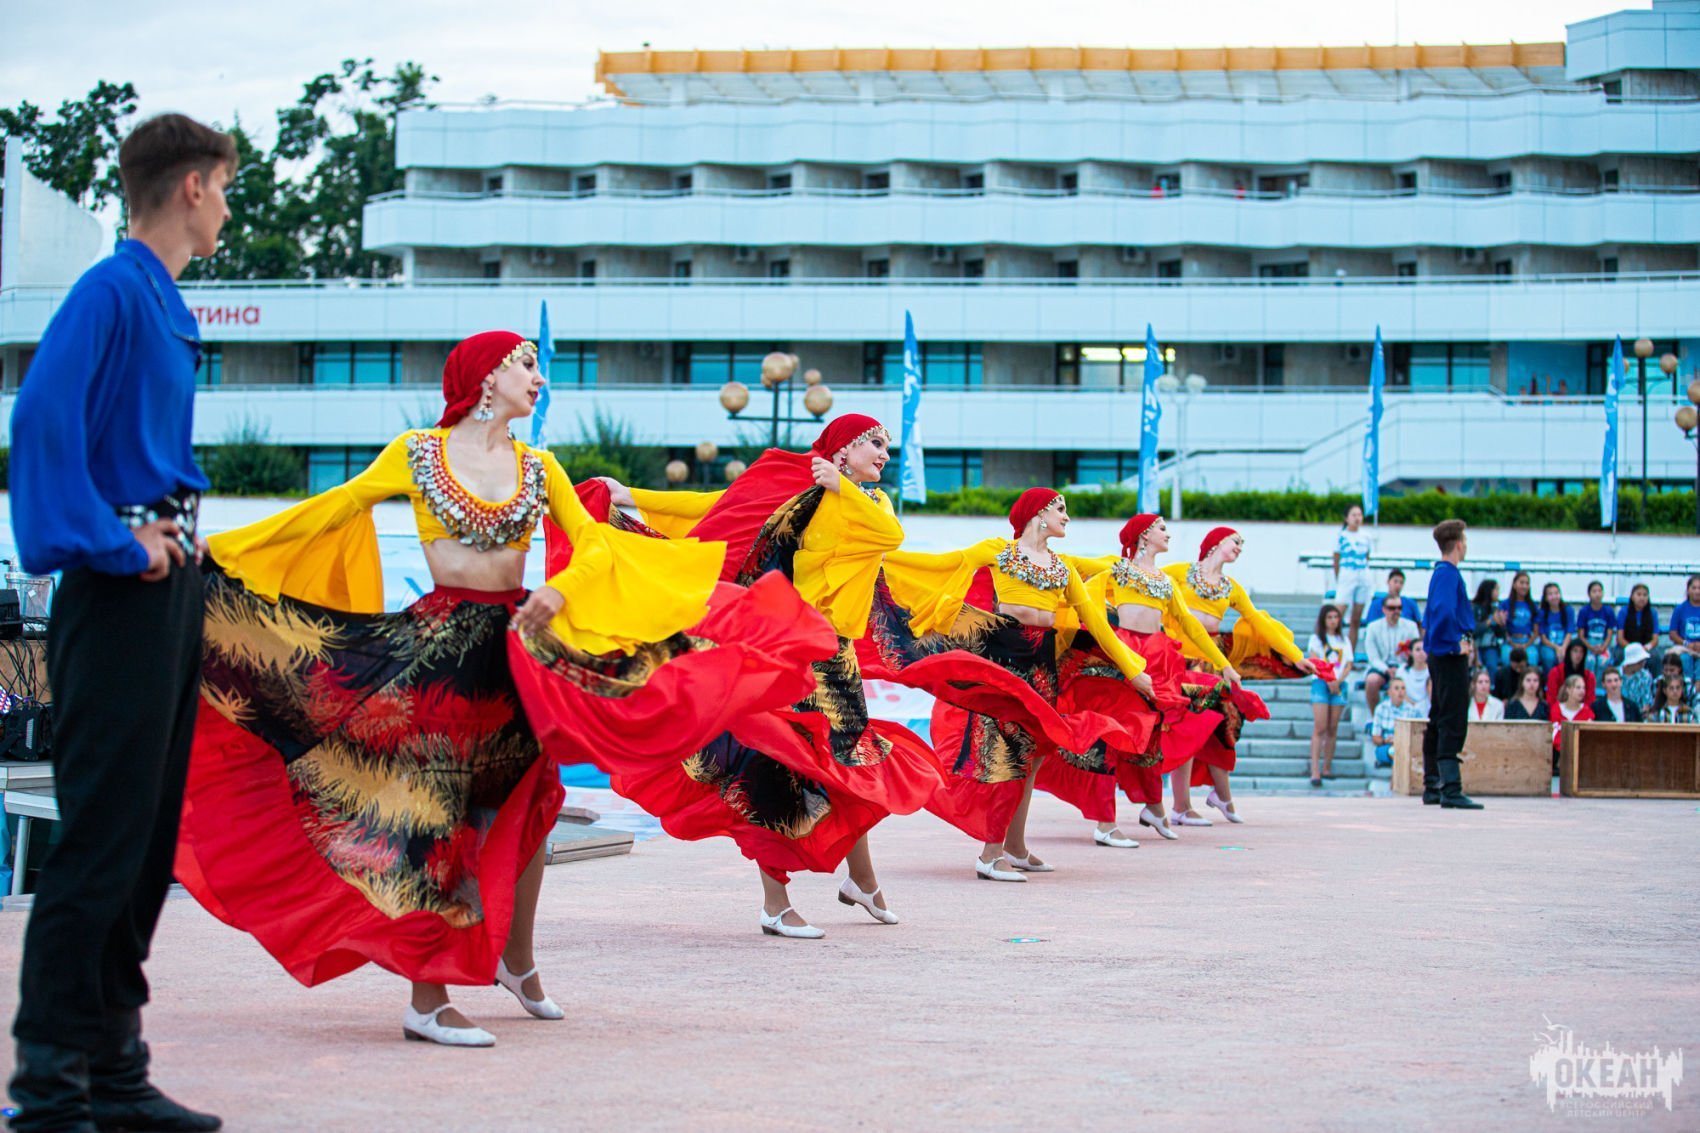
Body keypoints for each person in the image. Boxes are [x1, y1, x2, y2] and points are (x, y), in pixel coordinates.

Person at [181, 332, 826, 1041]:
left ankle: (517, 961)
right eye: (526, 365)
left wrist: (561, 591)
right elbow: (329, 509)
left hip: (517, 650)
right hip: (442, 655)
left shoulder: (539, 466)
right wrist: (221, 549)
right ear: (486, 376)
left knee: (530, 806)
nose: (539, 378)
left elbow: (596, 543)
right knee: (443, 816)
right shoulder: (417, 451)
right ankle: (427, 997)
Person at [6, 114, 234, 1133]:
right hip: (119, 590)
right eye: (223, 187)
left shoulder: (158, 297)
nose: (226, 208)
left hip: (165, 588)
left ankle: (112, 1067)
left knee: (143, 842)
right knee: (101, 839)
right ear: (191, 186)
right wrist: (113, 540)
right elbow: (39, 423)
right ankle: (49, 1091)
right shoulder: (110, 288)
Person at [604, 414, 946, 933]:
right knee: (775, 768)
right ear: (841, 450)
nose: (884, 453)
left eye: (886, 445)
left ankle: (862, 881)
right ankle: (775, 904)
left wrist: (841, 488)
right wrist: (628, 494)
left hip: (836, 659)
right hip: (788, 651)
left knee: (847, 771)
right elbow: (717, 505)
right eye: (874, 443)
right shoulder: (800, 490)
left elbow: (890, 536)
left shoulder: (872, 502)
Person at [876, 489, 1156, 874]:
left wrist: (1133, 670)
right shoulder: (998, 551)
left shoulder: (1062, 567)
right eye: (1060, 508)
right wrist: (881, 558)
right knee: (1009, 755)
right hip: (1003, 660)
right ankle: (990, 855)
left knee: (1033, 756)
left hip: (1041, 665)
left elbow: (1096, 623)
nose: (1066, 516)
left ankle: (1016, 848)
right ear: (1038, 513)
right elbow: (941, 564)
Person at [1075, 514, 1236, 842]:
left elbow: (1190, 625)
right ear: (1144, 535)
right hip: (1124, 655)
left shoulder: (1166, 581)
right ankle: (1105, 823)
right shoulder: (1117, 569)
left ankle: (1154, 807)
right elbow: (1082, 596)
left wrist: (1223, 663)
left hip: (1158, 659)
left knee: (1151, 735)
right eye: (1162, 528)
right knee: (1112, 735)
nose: (1168, 534)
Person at [1162, 527, 1316, 820]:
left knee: (1226, 723)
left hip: (1214, 661)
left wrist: (1296, 656)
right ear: (1216, 542)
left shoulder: (1231, 587)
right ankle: (1181, 806)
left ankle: (1222, 796)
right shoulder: (1180, 572)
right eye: (1236, 541)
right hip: (1181, 661)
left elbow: (1257, 621)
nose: (1240, 548)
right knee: (1186, 728)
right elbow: (1145, 581)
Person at [1420, 519, 1482, 808]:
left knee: (1438, 714)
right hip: (1448, 655)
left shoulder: (1440, 574)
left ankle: (1433, 784)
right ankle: (1450, 787)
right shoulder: (1448, 574)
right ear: (1458, 544)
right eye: (1465, 541)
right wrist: (1455, 643)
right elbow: (1444, 612)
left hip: (1440, 653)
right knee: (1452, 717)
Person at [1306, 605, 1351, 787]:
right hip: (1321, 683)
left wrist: (1337, 681)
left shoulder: (1344, 640)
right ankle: (1315, 770)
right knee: (1320, 726)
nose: (1333, 621)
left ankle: (1327, 767)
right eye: (1330, 617)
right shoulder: (1316, 639)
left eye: (1336, 617)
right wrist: (1328, 679)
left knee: (1333, 727)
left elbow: (1348, 664)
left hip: (1339, 683)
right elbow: (1314, 661)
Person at [1362, 595, 1420, 716]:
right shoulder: (1373, 627)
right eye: (1392, 608)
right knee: (1372, 681)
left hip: (1404, 665)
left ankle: (1411, 716)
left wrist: (1401, 669)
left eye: (1399, 608)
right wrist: (1386, 669)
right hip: (1381, 666)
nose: (1396, 611)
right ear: (1384, 609)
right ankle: (1376, 717)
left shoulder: (1411, 626)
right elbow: (1373, 657)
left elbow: (1415, 651)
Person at [1331, 503, 1374, 655]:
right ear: (1347, 518)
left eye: (1359, 515)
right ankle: (1333, 650)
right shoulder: (1341, 536)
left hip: (1363, 576)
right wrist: (1339, 577)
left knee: (1356, 619)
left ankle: (1350, 654)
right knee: (1337, 614)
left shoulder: (1366, 536)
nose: (1357, 518)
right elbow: (1336, 558)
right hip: (1347, 575)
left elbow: (1367, 556)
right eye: (1354, 515)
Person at [1370, 675, 1423, 768]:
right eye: (1396, 688)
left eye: (1403, 688)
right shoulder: (1381, 709)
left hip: (1406, 746)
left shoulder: (1413, 710)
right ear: (1389, 692)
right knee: (1395, 753)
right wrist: (1385, 741)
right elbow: (1375, 738)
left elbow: (1419, 734)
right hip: (1386, 746)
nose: (1400, 691)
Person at [1574, 580, 1618, 680]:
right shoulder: (1584, 611)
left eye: (1599, 591)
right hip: (1588, 644)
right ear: (1589, 594)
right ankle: (1588, 685)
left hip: (1603, 644)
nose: (1597, 594)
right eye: (1594, 591)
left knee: (1604, 660)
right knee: (1589, 661)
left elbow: (1609, 634)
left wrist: (1603, 647)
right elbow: (1581, 635)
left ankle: (1600, 687)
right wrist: (1591, 647)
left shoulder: (1608, 611)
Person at [1499, 572, 1540, 676]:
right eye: (1521, 583)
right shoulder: (1505, 604)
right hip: (1510, 641)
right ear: (1514, 584)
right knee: (1506, 657)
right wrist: (1512, 644)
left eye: (1527, 583)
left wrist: (1526, 645)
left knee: (1532, 657)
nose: (1524, 586)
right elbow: (1502, 627)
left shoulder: (1533, 605)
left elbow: (1536, 632)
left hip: (1527, 641)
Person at [1550, 675, 1594, 767]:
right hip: (1558, 757)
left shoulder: (1587, 712)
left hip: (1582, 758)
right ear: (1568, 689)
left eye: (1583, 688)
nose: (1582, 691)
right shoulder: (1556, 709)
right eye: (1578, 687)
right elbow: (1554, 735)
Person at [1545, 639, 1595, 712]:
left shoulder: (1589, 676)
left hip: (1582, 713)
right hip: (1559, 712)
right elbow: (1551, 698)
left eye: (1581, 652)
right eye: (1575, 651)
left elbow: (1590, 700)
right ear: (1569, 652)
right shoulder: (1556, 672)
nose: (1578, 655)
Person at [1617, 583, 1661, 666]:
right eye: (1639, 594)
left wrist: (1646, 647)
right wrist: (1634, 649)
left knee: (1655, 656)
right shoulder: (1623, 612)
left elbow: (1655, 640)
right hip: (1627, 646)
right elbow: (1620, 639)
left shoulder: (1653, 613)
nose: (1642, 598)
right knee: (1620, 655)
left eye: (1645, 595)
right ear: (1632, 597)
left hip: (1646, 647)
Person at [1535, 581, 1572, 675]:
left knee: (1568, 656)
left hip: (1565, 644)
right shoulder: (1542, 613)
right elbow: (1543, 638)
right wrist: (1557, 648)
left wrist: (1563, 648)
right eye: (1550, 594)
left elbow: (1569, 633)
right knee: (1549, 657)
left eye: (1556, 593)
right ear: (1546, 598)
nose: (1554, 596)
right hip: (1548, 645)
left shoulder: (1568, 610)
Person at [1667, 574, 1700, 680]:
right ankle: (1686, 685)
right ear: (1688, 590)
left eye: (1699, 588)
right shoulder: (1680, 609)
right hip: (1684, 648)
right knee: (1685, 659)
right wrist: (1687, 644)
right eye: (1694, 588)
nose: (1697, 591)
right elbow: (1672, 634)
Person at [1471, 579, 1506, 678]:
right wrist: (1489, 621)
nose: (1498, 593)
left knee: (1492, 666)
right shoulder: (1474, 608)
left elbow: (1501, 634)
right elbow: (1472, 631)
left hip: (1491, 646)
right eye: (1496, 589)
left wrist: (1501, 624)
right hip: (1475, 645)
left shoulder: (1496, 608)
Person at [1397, 639, 1433, 716]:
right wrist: (1412, 705)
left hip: (1428, 708)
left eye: (1424, 649)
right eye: (1418, 650)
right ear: (1410, 652)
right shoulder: (1402, 670)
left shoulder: (1433, 670)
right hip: (1405, 709)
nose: (1421, 652)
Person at [1620, 643, 1657, 717]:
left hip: (1639, 714)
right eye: (1640, 662)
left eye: (1643, 661)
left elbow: (1647, 700)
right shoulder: (1616, 676)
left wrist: (1642, 712)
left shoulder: (1645, 676)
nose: (1643, 664)